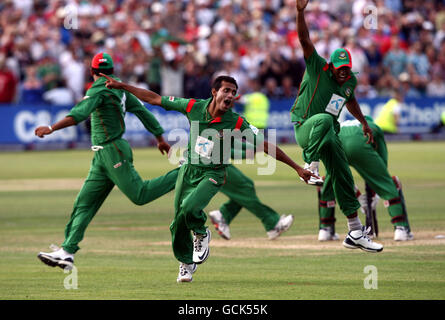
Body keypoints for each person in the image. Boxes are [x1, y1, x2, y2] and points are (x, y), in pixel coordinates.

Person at [102, 74, 316, 283]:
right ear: (214, 92)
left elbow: (265, 144)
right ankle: (186, 264)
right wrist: (122, 86)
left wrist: (297, 167)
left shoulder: (236, 121)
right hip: (188, 171)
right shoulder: (193, 107)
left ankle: (202, 232)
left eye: (234, 92)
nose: (230, 95)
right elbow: (155, 99)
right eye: (226, 90)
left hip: (213, 173)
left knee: (190, 208)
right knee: (177, 223)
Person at [35, 52, 179, 270]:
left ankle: (184, 172)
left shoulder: (98, 89)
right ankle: (67, 252)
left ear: (93, 72)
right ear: (111, 71)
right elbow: (143, 112)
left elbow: (78, 115)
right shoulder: (119, 89)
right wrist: (159, 137)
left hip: (112, 151)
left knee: (139, 194)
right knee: (84, 203)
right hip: (103, 155)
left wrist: (51, 128)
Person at [291, 0, 383, 253]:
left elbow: (350, 99)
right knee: (324, 118)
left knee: (343, 173)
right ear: (331, 65)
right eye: (340, 68)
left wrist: (364, 123)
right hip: (305, 129)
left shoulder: (349, 80)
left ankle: (355, 230)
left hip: (329, 135)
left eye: (347, 69)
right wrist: (300, 12)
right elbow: (304, 39)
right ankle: (311, 164)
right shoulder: (317, 67)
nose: (343, 73)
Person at [318, 116, 413, 242]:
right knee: (387, 184)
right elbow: (382, 167)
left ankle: (325, 230)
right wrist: (377, 190)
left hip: (336, 142)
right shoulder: (374, 127)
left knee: (331, 183)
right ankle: (400, 229)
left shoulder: (342, 125)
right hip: (358, 144)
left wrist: (354, 191)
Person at [209, 144, 294, 241]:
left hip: (218, 162)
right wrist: (245, 153)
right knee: (244, 188)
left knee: (247, 186)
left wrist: (254, 146)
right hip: (211, 165)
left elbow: (230, 142)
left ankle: (223, 215)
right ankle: (273, 224)